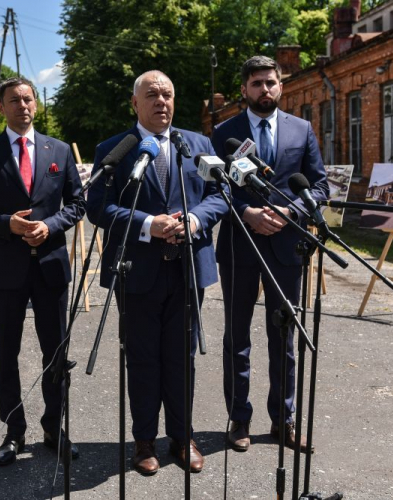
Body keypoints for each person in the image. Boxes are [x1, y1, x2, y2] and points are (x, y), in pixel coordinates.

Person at [86, 70, 228, 475]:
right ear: (135, 103)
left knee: (182, 359)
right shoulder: (115, 149)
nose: (161, 101)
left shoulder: (197, 145)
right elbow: (99, 207)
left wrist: (196, 220)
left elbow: (221, 194)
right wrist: (149, 225)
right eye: (152, 95)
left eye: (167, 94)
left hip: (187, 270)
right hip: (137, 271)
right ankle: (145, 441)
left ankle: (182, 439)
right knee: (143, 358)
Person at [0, 77, 85, 466]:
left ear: (36, 104)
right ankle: (14, 432)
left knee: (56, 353)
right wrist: (5, 224)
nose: (23, 105)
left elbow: (78, 204)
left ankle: (53, 428)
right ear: (2, 106)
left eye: (28, 99)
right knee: (5, 354)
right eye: (14, 100)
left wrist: (52, 225)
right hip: (6, 270)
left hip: (49, 267)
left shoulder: (59, 151)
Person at [211, 56, 329, 454]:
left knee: (284, 336)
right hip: (239, 244)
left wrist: (290, 210)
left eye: (272, 83)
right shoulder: (224, 132)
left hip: (285, 243)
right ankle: (238, 420)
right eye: (257, 84)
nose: (265, 90)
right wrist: (246, 212)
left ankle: (285, 420)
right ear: (244, 89)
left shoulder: (302, 129)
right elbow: (213, 191)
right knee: (237, 337)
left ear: (282, 87)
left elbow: (319, 185)